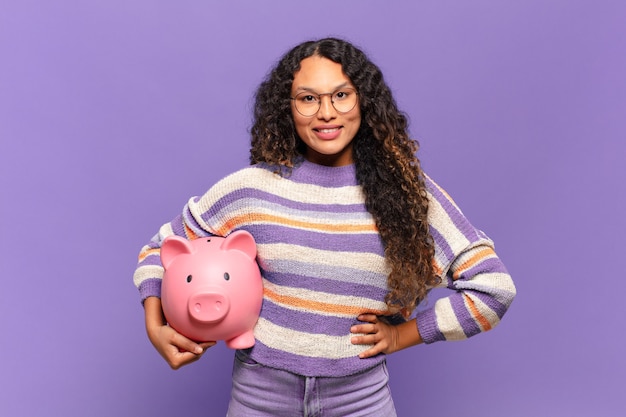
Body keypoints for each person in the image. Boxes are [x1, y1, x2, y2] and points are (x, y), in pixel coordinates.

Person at [133, 37, 516, 416]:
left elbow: (493, 290)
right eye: (308, 98)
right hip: (259, 395)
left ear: (364, 102)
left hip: (360, 400)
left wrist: (401, 335)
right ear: (289, 108)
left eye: (341, 95)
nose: (327, 113)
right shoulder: (253, 187)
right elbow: (158, 251)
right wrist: (156, 327)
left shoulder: (408, 195)